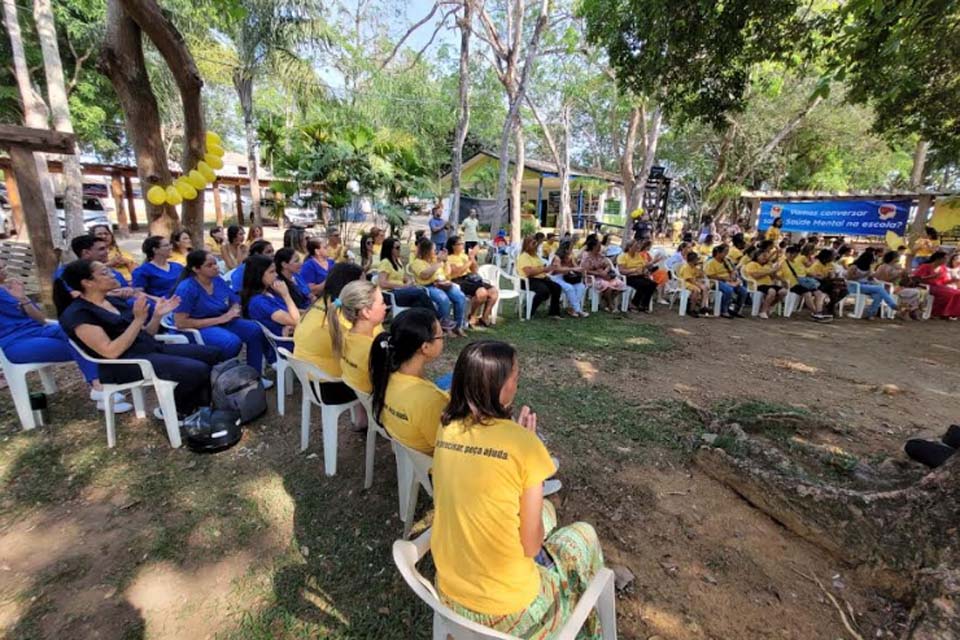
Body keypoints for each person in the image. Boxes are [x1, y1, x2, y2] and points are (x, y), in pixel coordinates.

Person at [432, 340, 604, 638]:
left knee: (547, 511)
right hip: (511, 609)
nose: (518, 379)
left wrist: (521, 444)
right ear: (500, 385)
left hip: (448, 593)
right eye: (515, 374)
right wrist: (528, 447)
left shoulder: (446, 427)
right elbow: (531, 546)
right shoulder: (523, 445)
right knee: (583, 534)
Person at [56, 260, 223, 418]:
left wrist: (157, 316)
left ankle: (202, 407)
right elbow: (111, 351)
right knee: (197, 369)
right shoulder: (78, 314)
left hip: (149, 348)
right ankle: (174, 411)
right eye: (105, 273)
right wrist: (137, 320)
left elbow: (146, 333)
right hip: (125, 364)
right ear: (87, 282)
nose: (113, 275)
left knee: (213, 354)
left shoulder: (113, 301)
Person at [2, 260, 133, 414]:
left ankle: (106, 381)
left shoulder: (10, 288)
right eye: (0, 268)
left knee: (81, 334)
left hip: (40, 329)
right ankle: (99, 387)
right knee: (81, 344)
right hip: (13, 341)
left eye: (3, 266)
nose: (4, 270)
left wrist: (22, 298)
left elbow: (40, 320)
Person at [172, 250, 271, 384]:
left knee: (254, 329)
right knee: (231, 342)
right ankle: (223, 379)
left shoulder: (217, 280)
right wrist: (222, 319)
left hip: (223, 320)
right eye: (210, 265)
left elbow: (235, 300)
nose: (216, 267)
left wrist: (234, 310)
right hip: (199, 327)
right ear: (196, 269)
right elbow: (181, 322)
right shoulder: (187, 288)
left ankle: (254, 376)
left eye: (216, 263)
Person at [368, 307, 448, 454]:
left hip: (408, 436)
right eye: (441, 336)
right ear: (425, 347)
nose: (443, 339)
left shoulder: (386, 376)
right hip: (432, 460)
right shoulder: (431, 401)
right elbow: (446, 448)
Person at [292, 263, 365, 405]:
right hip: (330, 387)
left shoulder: (321, 303)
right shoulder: (342, 317)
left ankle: (361, 418)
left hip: (309, 382)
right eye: (363, 282)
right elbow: (362, 354)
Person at [329, 279, 387, 394]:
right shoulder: (373, 350)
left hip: (359, 396)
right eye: (382, 303)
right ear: (366, 312)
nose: (386, 307)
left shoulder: (345, 336)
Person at [410, 237, 467, 336]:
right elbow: (424, 275)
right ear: (426, 250)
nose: (435, 251)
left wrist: (445, 261)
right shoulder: (417, 262)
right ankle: (445, 328)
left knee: (460, 297)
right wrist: (439, 262)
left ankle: (458, 326)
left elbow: (447, 273)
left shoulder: (435, 260)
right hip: (428, 286)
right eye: (433, 249)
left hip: (442, 283)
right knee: (443, 300)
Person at [241, 254, 301, 338]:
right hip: (286, 343)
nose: (276, 275)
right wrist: (286, 295)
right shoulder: (259, 302)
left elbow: (292, 313)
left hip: (294, 333)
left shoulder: (271, 292)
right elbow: (296, 320)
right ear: (259, 274)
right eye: (271, 272)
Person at [445, 235, 498, 327]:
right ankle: (472, 316)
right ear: (453, 246)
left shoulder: (464, 256)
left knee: (493, 292)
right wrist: (470, 260)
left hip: (471, 278)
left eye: (462, 243)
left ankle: (484, 317)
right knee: (482, 293)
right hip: (458, 280)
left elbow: (475, 270)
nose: (462, 246)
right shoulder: (449, 258)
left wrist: (472, 259)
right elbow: (457, 272)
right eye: (459, 244)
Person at [375, 237, 434, 311]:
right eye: (397, 247)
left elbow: (405, 277)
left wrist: (409, 282)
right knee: (420, 293)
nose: (399, 249)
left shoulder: (398, 261)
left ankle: (423, 321)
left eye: (400, 247)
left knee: (418, 302)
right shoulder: (385, 262)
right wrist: (403, 286)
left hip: (400, 291)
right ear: (389, 249)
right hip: (390, 294)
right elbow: (382, 283)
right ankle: (437, 318)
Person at [779, 245, 830, 321]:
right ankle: (816, 313)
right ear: (787, 253)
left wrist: (816, 275)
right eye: (792, 254)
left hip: (803, 282)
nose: (793, 256)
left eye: (795, 254)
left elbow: (806, 271)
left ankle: (819, 311)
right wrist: (784, 282)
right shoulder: (782, 263)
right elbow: (778, 275)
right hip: (793, 284)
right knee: (807, 293)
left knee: (819, 293)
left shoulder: (797, 262)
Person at [517, 235, 563, 319]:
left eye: (536, 243)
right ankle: (528, 309)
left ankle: (554, 313)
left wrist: (551, 266)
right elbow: (528, 272)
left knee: (557, 287)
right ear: (527, 245)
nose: (535, 245)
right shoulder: (524, 256)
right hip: (527, 280)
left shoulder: (535, 256)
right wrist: (544, 269)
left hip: (540, 278)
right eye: (533, 243)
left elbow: (541, 268)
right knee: (544, 290)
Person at [580, 235, 627, 312]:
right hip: (592, 278)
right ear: (593, 247)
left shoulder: (600, 255)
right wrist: (598, 273)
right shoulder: (586, 256)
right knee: (607, 286)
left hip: (604, 275)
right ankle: (610, 304)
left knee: (620, 284)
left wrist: (605, 271)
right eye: (598, 246)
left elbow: (608, 265)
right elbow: (585, 270)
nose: (600, 248)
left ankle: (605, 301)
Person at [846, 252, 899, 319]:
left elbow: (869, 278)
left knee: (878, 295)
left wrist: (871, 276)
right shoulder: (854, 267)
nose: (873, 261)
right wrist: (863, 275)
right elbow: (848, 278)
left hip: (866, 285)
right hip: (855, 286)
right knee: (879, 289)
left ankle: (870, 313)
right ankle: (891, 304)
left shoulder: (868, 268)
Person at [875, 250, 922, 319]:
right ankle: (906, 311)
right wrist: (898, 274)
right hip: (887, 288)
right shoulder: (884, 267)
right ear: (894, 258)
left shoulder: (897, 266)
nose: (899, 258)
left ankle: (907, 311)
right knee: (914, 293)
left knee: (915, 293)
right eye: (898, 256)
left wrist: (905, 275)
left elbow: (904, 280)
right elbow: (885, 280)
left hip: (896, 287)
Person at [704, 244, 748, 318]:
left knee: (743, 291)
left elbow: (732, 270)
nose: (726, 254)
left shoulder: (726, 261)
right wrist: (724, 279)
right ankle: (724, 310)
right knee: (728, 290)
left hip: (729, 280)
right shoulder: (711, 262)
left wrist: (733, 275)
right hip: (717, 282)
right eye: (725, 252)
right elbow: (710, 275)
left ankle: (736, 310)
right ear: (718, 252)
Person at [742, 249, 787, 319]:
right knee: (772, 291)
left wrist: (777, 273)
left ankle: (769, 305)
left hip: (769, 284)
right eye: (763, 256)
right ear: (757, 256)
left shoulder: (767, 265)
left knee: (783, 291)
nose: (765, 258)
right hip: (758, 284)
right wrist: (769, 271)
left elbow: (773, 276)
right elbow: (756, 276)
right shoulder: (752, 264)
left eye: (766, 256)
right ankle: (763, 311)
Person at [914, 251, 960, 319]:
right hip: (927, 286)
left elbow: (944, 282)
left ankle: (950, 313)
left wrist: (952, 280)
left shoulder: (943, 268)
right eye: (945, 258)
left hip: (940, 287)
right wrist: (930, 277)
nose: (946, 260)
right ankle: (938, 313)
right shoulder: (925, 266)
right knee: (948, 294)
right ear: (938, 259)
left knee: (957, 293)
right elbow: (916, 279)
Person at [548, 240, 588, 318]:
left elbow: (575, 266)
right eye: (571, 247)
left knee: (581, 287)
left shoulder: (570, 256)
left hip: (567, 277)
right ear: (566, 249)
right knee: (569, 288)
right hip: (556, 277)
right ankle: (578, 310)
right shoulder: (557, 257)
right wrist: (571, 269)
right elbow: (558, 269)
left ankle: (572, 309)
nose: (572, 249)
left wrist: (581, 269)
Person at [618, 239, 658, 312]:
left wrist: (646, 270)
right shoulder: (623, 256)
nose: (638, 247)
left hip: (640, 276)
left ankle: (644, 304)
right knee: (643, 284)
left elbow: (643, 265)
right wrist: (634, 270)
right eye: (635, 246)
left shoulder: (638, 255)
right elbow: (621, 271)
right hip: (629, 277)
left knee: (653, 284)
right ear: (630, 247)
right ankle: (634, 304)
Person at [808, 249, 847, 317]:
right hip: (818, 284)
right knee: (834, 290)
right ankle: (830, 308)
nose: (832, 258)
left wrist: (833, 275)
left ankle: (830, 306)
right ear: (825, 257)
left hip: (827, 283)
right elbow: (816, 277)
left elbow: (832, 275)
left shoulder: (830, 264)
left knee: (844, 291)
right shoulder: (816, 265)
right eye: (831, 256)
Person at [678, 251, 711, 317]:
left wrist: (701, 267)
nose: (698, 261)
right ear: (693, 260)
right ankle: (691, 309)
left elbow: (701, 275)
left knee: (705, 288)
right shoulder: (686, 267)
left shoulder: (694, 267)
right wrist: (699, 285)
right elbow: (689, 279)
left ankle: (703, 306)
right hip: (685, 283)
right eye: (697, 259)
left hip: (692, 283)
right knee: (696, 290)